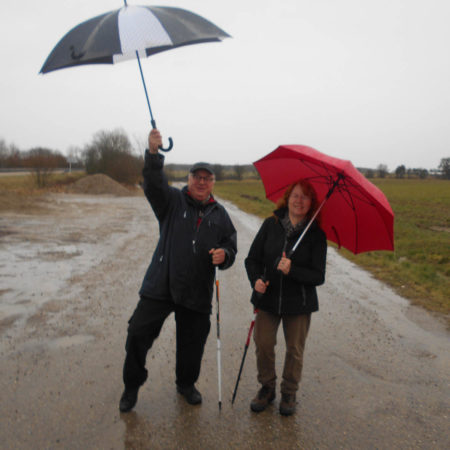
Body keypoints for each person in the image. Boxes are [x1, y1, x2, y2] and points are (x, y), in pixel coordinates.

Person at [119, 129, 237, 413]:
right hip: (161, 284)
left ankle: (186, 384)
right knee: (137, 333)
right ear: (189, 179)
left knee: (192, 344)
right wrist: (153, 154)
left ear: (212, 183)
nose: (201, 182)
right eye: (197, 177)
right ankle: (131, 386)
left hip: (197, 290)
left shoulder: (220, 215)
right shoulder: (171, 201)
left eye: (207, 178)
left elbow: (231, 247)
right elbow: (153, 184)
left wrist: (225, 255)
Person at [244, 179, 327, 416]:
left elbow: (318, 276)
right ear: (287, 198)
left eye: (305, 197)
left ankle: (289, 392)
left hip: (299, 303)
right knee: (264, 344)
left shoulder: (316, 235)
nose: (299, 201)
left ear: (312, 203)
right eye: (296, 196)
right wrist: (256, 280)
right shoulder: (270, 225)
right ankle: (267, 387)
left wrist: (294, 270)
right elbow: (252, 260)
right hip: (267, 298)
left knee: (295, 350)